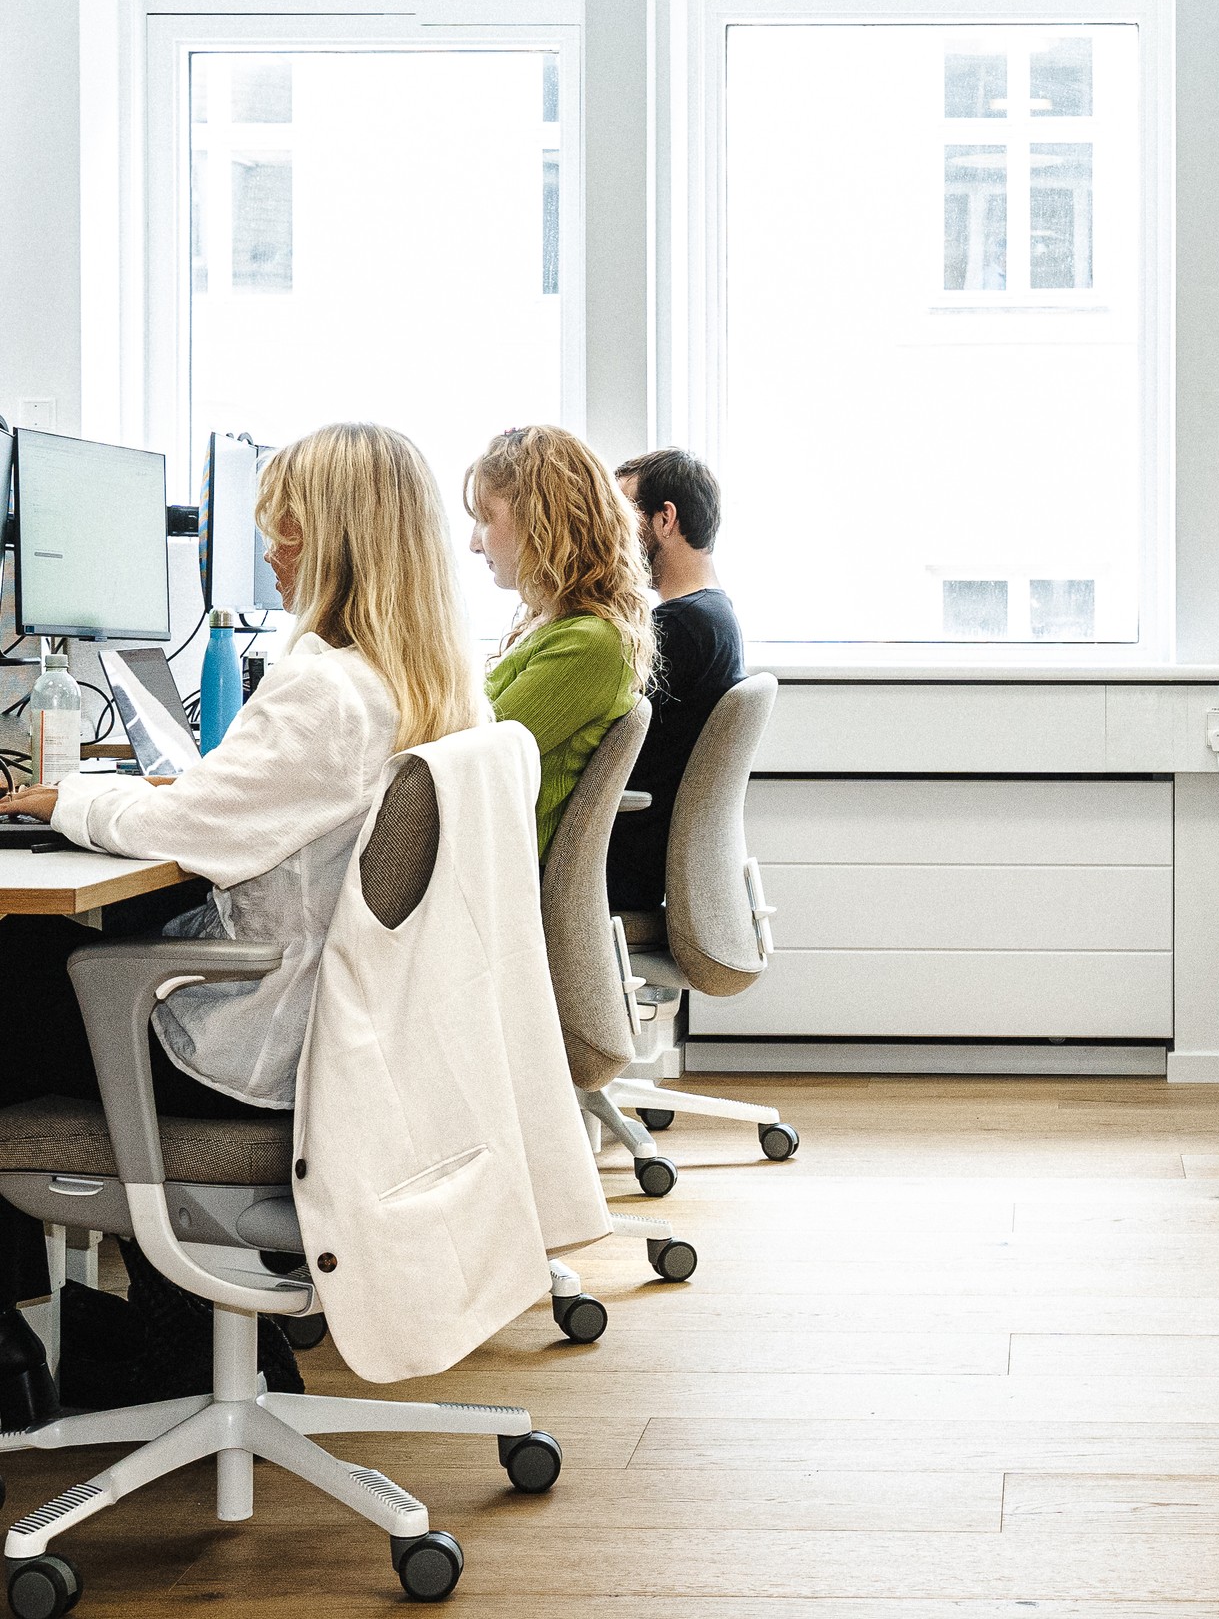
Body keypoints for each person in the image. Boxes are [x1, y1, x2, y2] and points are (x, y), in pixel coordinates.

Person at [0, 422, 486, 1426]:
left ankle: (23, 1348)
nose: (268, 543)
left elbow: (188, 826)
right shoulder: (423, 682)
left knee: (18, 968)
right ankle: (176, 1341)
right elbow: (240, 810)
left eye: (287, 522)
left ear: (339, 535)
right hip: (345, 1045)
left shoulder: (324, 689)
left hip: (253, 1055)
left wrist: (58, 800)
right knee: (37, 957)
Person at [467, 426, 653, 857]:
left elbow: (469, 754)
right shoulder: (553, 624)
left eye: (485, 519)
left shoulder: (591, 643)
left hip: (491, 868)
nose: (474, 543)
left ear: (542, 519)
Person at [606, 448, 745, 916]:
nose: (613, 535)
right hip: (644, 858)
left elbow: (597, 739)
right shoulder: (714, 615)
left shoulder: (679, 627)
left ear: (665, 519)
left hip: (619, 867)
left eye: (623, 516)